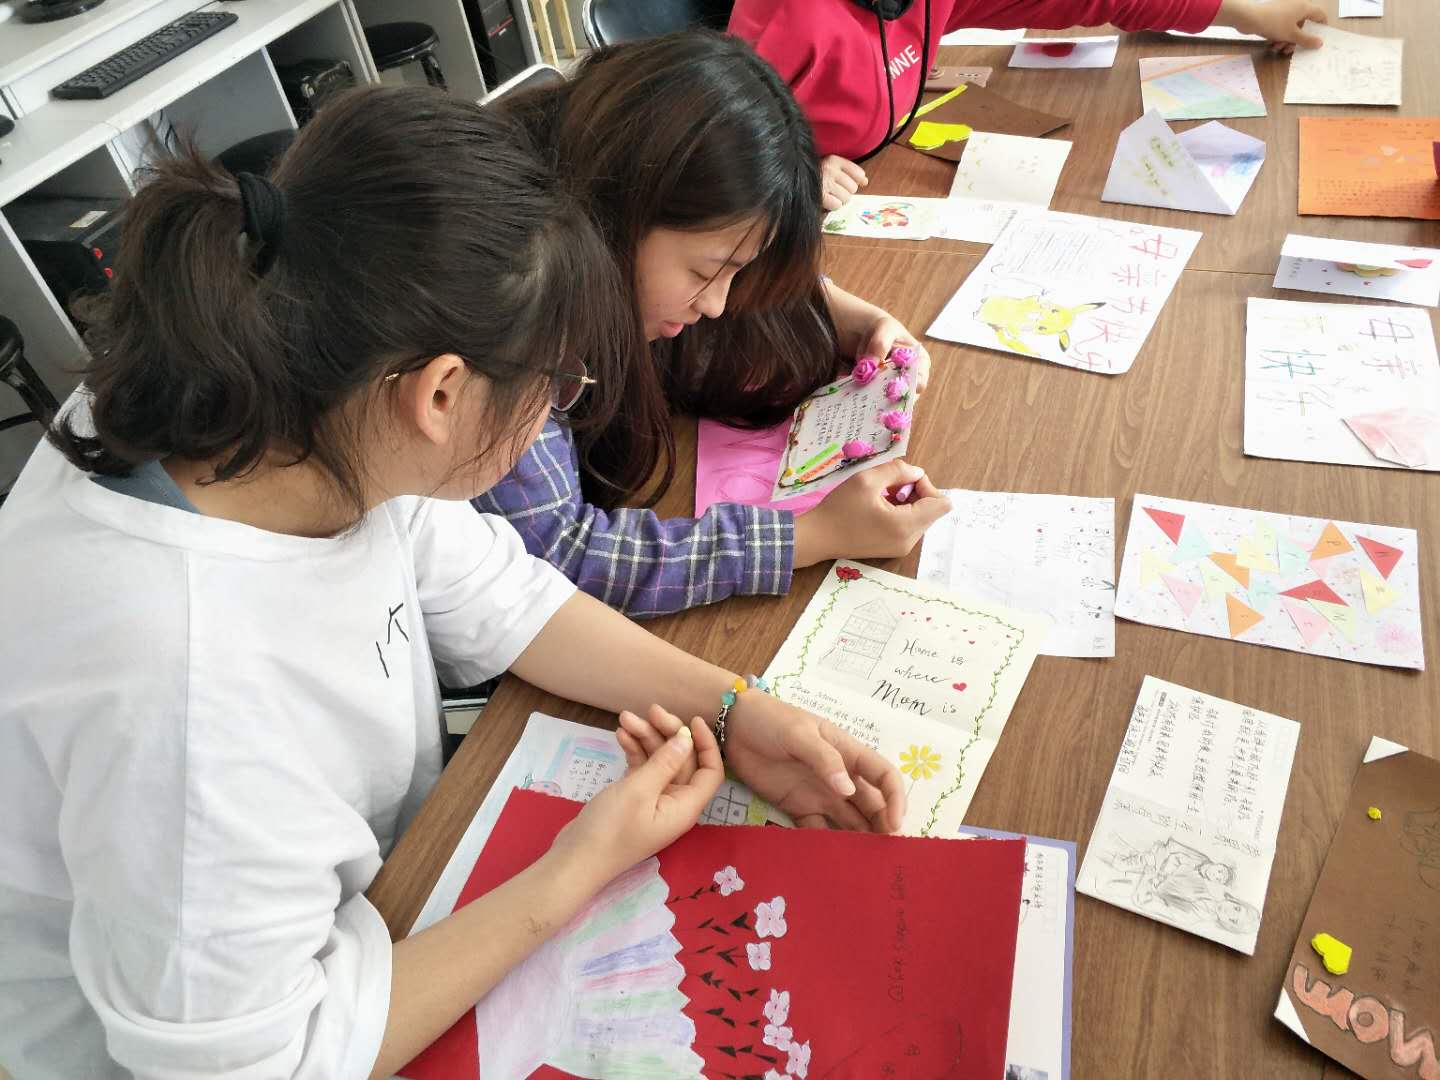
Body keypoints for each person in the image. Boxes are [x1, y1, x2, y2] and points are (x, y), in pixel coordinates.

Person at [0, 86, 903, 1080]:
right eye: (557, 387)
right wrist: (577, 869)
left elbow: (505, 596)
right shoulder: (183, 689)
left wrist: (735, 710)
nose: (555, 413)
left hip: (350, 905)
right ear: (439, 392)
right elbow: (264, 1063)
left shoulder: (305, 400)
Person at [474, 32, 953, 620]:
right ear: (626, 208)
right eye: (708, 272)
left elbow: (721, 249)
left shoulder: (597, 199)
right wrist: (812, 534)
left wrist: (843, 312)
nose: (718, 304)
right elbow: (559, 557)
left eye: (737, 272)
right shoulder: (510, 309)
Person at [730, 0, 1328, 209]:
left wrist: (1240, 11)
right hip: (785, 235)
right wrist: (787, 176)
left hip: (882, 188)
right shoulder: (781, 25)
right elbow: (695, 156)